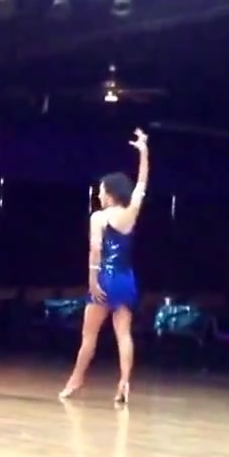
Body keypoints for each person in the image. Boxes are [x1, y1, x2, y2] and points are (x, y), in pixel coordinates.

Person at [59, 128, 149, 405]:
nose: (98, 195)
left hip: (105, 279)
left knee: (89, 336)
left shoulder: (99, 217)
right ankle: (124, 382)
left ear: (110, 194)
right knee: (124, 333)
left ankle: (76, 379)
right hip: (127, 279)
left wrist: (92, 282)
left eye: (100, 191)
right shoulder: (131, 212)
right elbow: (142, 184)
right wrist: (144, 151)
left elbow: (96, 249)